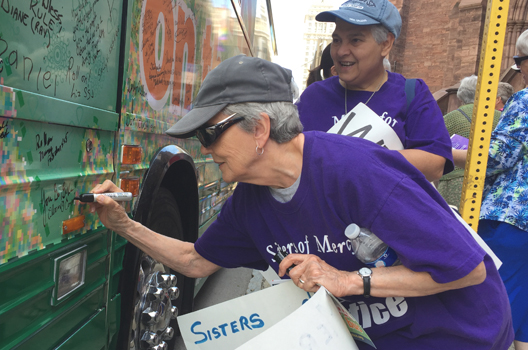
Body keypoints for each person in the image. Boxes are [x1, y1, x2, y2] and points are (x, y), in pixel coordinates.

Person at [89, 55, 513, 349]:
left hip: (456, 336)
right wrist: (124, 224)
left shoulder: (356, 171)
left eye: (210, 133)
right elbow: (196, 261)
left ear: (260, 129)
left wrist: (350, 281)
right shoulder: (249, 203)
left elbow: (470, 270)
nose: (204, 147)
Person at [296, 0, 453, 183]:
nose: (341, 51)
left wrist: (356, 158)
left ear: (386, 44)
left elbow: (435, 164)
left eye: (355, 40)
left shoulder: (412, 93)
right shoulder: (314, 96)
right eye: (337, 40)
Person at [479, 28, 528, 350]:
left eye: (519, 61)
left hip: (509, 217)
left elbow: (499, 155)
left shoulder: (525, 100)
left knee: (492, 305)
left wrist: (457, 155)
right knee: (522, 305)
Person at [438, 75, 501, 208]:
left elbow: (436, 148)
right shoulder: (501, 117)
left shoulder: (448, 118)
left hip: (453, 182)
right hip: (491, 181)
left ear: (460, 96)